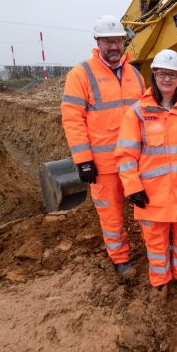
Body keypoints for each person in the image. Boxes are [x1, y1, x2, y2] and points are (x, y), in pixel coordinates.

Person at [114, 49, 177, 298]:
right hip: (152, 194)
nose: (167, 79)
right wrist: (133, 187)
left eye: (172, 74)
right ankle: (159, 277)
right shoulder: (137, 112)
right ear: (154, 75)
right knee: (155, 240)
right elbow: (125, 155)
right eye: (162, 74)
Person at [61, 15, 145, 280]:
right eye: (108, 41)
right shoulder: (81, 74)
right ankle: (120, 259)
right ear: (98, 43)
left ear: (124, 43)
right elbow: (73, 119)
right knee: (111, 216)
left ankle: (153, 250)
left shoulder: (135, 74)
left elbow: (145, 116)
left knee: (146, 208)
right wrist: (83, 160)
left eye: (118, 41)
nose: (113, 47)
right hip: (103, 164)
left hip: (135, 161)